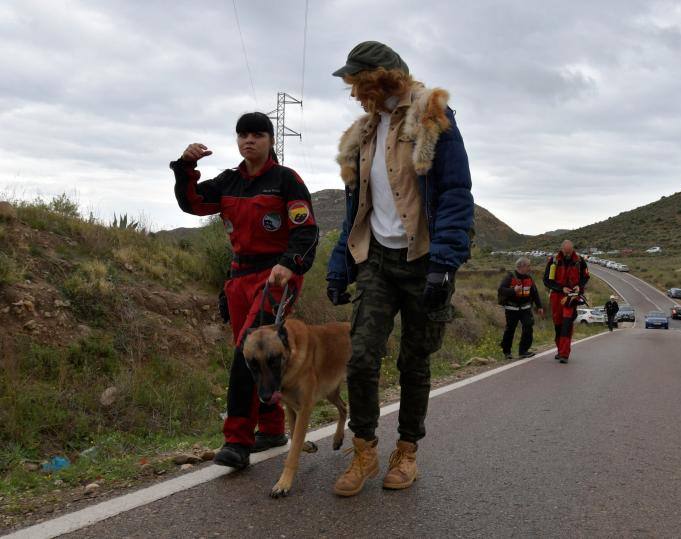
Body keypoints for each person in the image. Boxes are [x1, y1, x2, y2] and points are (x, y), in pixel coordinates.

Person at [326, 41, 474, 496]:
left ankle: (406, 452)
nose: (353, 93)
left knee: (414, 361)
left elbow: (454, 191)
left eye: (357, 82)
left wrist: (445, 264)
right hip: (376, 260)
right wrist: (338, 264)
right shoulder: (364, 132)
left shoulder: (431, 116)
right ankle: (365, 451)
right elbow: (357, 207)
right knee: (361, 357)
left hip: (424, 260)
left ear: (381, 78)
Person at [170, 112, 318, 469]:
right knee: (254, 352)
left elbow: (307, 229)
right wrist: (185, 167)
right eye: (242, 135)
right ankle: (270, 427)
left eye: (256, 135)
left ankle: (237, 440)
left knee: (245, 350)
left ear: (269, 140)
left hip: (276, 278)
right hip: (239, 277)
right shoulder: (229, 181)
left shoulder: (286, 180)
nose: (248, 141)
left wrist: (289, 263)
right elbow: (193, 203)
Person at [542, 240, 589, 363]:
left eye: (570, 251)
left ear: (572, 249)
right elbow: (546, 280)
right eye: (565, 251)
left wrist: (579, 286)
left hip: (572, 297)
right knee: (558, 325)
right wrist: (561, 287)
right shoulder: (553, 261)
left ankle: (564, 354)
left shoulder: (579, 261)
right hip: (557, 297)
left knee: (567, 324)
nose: (568, 253)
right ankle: (560, 350)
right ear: (562, 249)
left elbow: (586, 276)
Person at [498, 257, 544, 359]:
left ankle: (523, 351)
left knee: (528, 327)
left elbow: (534, 293)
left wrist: (539, 306)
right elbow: (501, 290)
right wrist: (513, 290)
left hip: (525, 309)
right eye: (528, 266)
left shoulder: (529, 278)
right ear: (521, 266)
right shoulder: (509, 277)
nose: (529, 268)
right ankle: (507, 352)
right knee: (510, 330)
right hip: (511, 309)